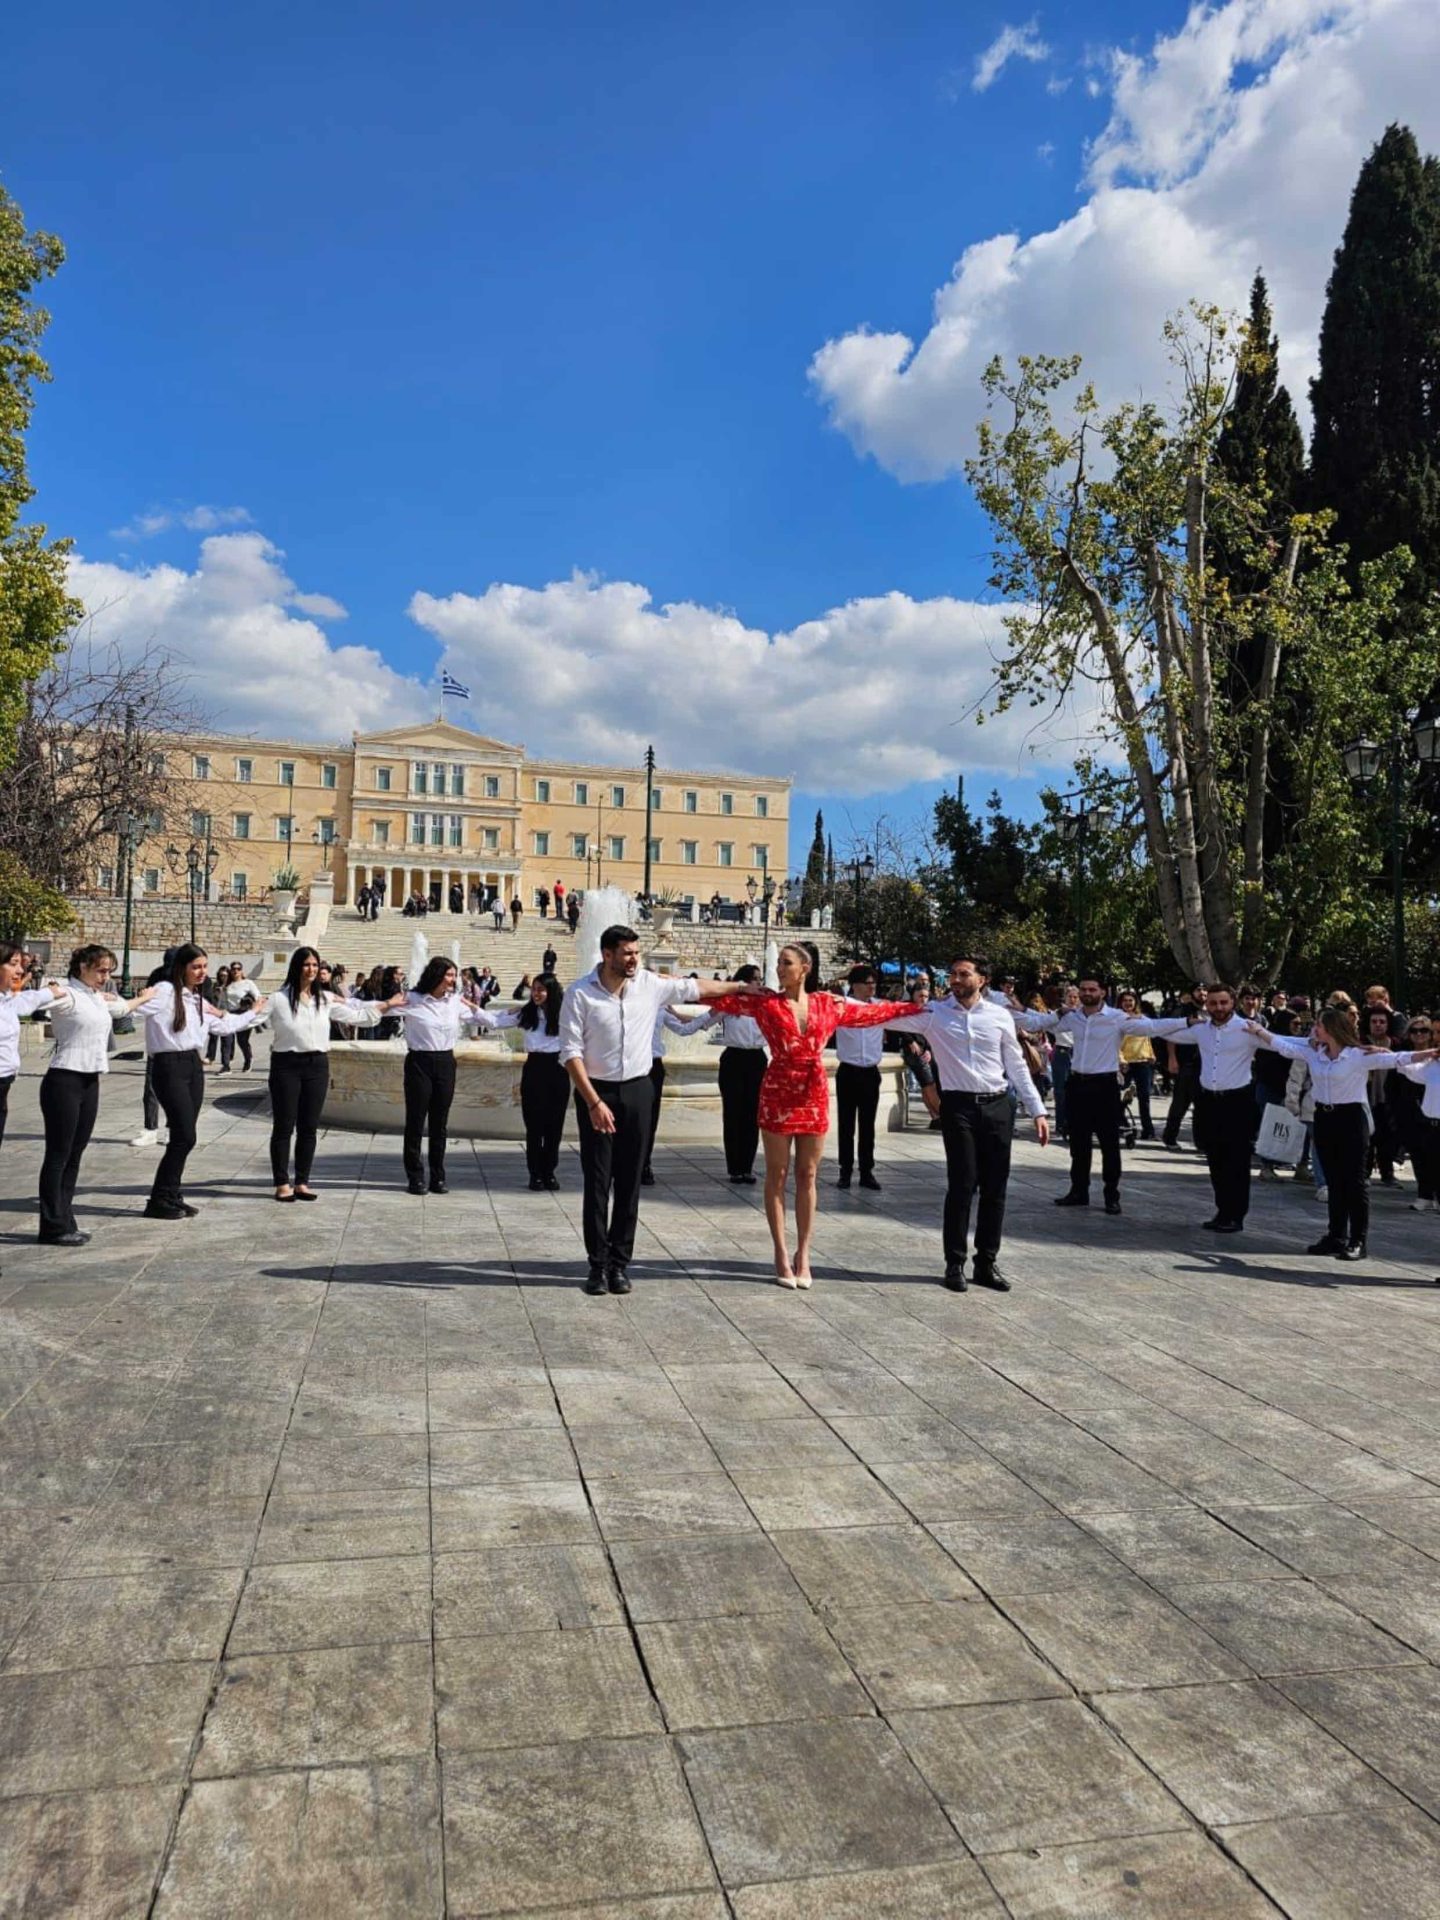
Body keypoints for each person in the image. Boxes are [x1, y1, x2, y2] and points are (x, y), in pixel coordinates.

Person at [706, 943, 919, 1288]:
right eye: (778, 963)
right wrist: (739, 986)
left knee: (807, 1174)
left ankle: (803, 1254)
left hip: (813, 1089)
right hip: (777, 1089)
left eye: (786, 963)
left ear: (805, 968)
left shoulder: (827, 1003)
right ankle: (780, 1252)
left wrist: (916, 1008)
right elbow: (712, 998)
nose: (779, 968)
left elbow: (872, 1013)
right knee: (777, 1173)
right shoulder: (766, 1002)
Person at [560, 925, 746, 1294]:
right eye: (626, 953)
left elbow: (696, 988)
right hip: (597, 1094)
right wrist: (593, 1101)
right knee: (598, 1182)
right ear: (607, 955)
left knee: (629, 1181)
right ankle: (596, 1266)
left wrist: (741, 988)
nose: (633, 959)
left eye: (635, 952)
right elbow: (570, 1052)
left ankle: (619, 1265)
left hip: (639, 1090)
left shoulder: (650, 984)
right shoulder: (579, 994)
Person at [889, 954, 1049, 1291]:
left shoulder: (1000, 1016)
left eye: (964, 974)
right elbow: (884, 1015)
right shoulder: (935, 1015)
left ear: (982, 979)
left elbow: (1016, 1065)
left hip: (997, 1105)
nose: (956, 980)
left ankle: (986, 1263)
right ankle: (954, 1263)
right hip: (958, 1107)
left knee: (995, 1188)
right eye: (953, 975)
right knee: (962, 1184)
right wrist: (834, 1004)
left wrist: (1037, 1110)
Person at [1254, 1008, 1436, 1259]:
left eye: (1318, 1025)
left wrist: (1430, 1053)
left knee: (1354, 1182)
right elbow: (1282, 1046)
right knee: (1334, 1180)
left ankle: (1358, 1240)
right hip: (1324, 1117)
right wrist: (1257, 1030)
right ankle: (1336, 1235)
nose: (1314, 1029)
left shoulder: (1357, 1055)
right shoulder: (1314, 1052)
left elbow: (1398, 1059)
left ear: (1331, 1028)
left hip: (1351, 1119)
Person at [1013, 977, 1185, 1215]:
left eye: (1092, 989)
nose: (1087, 993)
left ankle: (1111, 1195)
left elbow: (1152, 1027)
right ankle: (1078, 1190)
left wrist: (1186, 1021)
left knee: (1109, 1144)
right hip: (1077, 1082)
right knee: (1078, 1142)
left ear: (1102, 992)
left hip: (1104, 1085)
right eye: (1083, 989)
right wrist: (1018, 1009)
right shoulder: (1072, 1017)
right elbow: (1040, 1022)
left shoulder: (1116, 1018)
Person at [136, 945, 267, 1220]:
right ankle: (159, 1198)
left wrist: (254, 1011)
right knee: (184, 1135)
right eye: (196, 967)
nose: (202, 972)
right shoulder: (163, 993)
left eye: (204, 966)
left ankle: (172, 1194)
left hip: (192, 1067)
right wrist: (131, 999)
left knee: (185, 1136)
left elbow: (224, 1025)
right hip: (169, 1065)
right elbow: (131, 1010)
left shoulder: (197, 1000)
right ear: (181, 967)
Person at [37, 946, 152, 1245]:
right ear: (83, 967)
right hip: (64, 1079)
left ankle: (65, 1217)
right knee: (58, 1155)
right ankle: (51, 1224)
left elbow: (123, 1009)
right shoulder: (69, 994)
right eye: (101, 970)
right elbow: (40, 1001)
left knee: (75, 1153)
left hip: (90, 1080)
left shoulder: (96, 997)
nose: (106, 977)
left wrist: (147, 996)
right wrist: (47, 990)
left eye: (109, 971)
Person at [268, 946, 392, 1201]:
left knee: (309, 1126)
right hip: (286, 1065)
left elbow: (357, 1016)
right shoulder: (278, 999)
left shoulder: (324, 999)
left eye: (315, 965)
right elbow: (252, 1018)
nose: (311, 969)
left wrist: (387, 1005)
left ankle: (302, 1181)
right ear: (296, 967)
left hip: (317, 1065)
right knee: (284, 1126)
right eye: (306, 965)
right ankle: (282, 1182)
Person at [1165, 985, 1279, 1233]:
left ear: (1233, 1002)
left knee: (1237, 1161)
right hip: (1209, 1101)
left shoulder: (1247, 1029)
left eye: (1223, 1003)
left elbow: (1283, 1044)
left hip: (1238, 1102)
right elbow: (1167, 1031)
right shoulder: (1200, 1030)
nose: (1218, 1008)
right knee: (1215, 1158)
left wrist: (1320, 1043)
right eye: (1214, 1003)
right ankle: (1222, 1211)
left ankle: (1236, 1215)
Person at [389, 958, 493, 1193]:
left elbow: (483, 1018)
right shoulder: (413, 999)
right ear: (435, 975)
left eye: (454, 975)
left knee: (440, 1122)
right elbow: (379, 1010)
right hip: (419, 1062)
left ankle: (438, 1175)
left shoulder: (455, 1001)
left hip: (445, 1061)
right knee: (415, 1121)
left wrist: (520, 1015)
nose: (452, 980)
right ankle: (415, 1175)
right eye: (448, 975)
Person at [473, 973, 569, 1189]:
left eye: (541, 990)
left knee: (554, 1126)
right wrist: (469, 1007)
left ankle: (549, 1171)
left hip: (558, 1069)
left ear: (551, 992)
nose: (536, 994)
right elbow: (495, 1021)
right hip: (534, 1068)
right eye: (534, 989)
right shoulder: (526, 1013)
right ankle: (535, 1173)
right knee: (534, 1125)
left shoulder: (566, 1014)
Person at [694, 964, 768, 1183]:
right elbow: (706, 1021)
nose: (758, 983)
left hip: (756, 1059)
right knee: (733, 1113)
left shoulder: (763, 1005)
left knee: (752, 1115)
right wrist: (678, 1017)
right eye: (754, 979)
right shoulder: (730, 1003)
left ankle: (748, 1166)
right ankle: (734, 1167)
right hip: (734, 1059)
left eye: (759, 979)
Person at [0, 944, 67, 1154]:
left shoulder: (7, 998)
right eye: (13, 964)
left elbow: (26, 1001)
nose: (20, 971)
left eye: (21, 965)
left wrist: (51, 992)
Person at [834, 965, 887, 1191]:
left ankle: (867, 1171)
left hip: (870, 1072)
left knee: (868, 1125)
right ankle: (845, 1171)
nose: (871, 986)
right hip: (848, 1071)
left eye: (874, 982)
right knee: (846, 1125)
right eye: (867, 982)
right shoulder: (841, 1007)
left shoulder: (881, 1008)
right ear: (854, 985)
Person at [1397, 1027, 1440, 1215]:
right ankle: (1427, 1196)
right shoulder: (1431, 1063)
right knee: (1426, 1160)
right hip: (1431, 1122)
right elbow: (1408, 1069)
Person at [1116, 989, 1158, 1140]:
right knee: (1118, 1096)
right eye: (1125, 1000)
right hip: (1125, 1064)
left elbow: (1147, 1039)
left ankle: (1148, 1130)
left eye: (1131, 1000)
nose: (1128, 1003)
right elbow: (1115, 1043)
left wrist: (1151, 1055)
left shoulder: (1143, 1019)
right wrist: (1121, 1059)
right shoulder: (1117, 1019)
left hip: (1143, 1062)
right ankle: (1122, 1124)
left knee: (1144, 1098)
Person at [225, 963, 259, 1073]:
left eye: (238, 969)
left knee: (242, 1040)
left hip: (244, 1013)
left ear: (241, 971)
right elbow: (223, 1000)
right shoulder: (228, 985)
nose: (236, 971)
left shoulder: (248, 983)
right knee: (227, 1039)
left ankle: (248, 1059)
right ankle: (226, 1063)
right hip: (231, 1014)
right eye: (233, 969)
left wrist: (254, 1011)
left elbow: (258, 997)